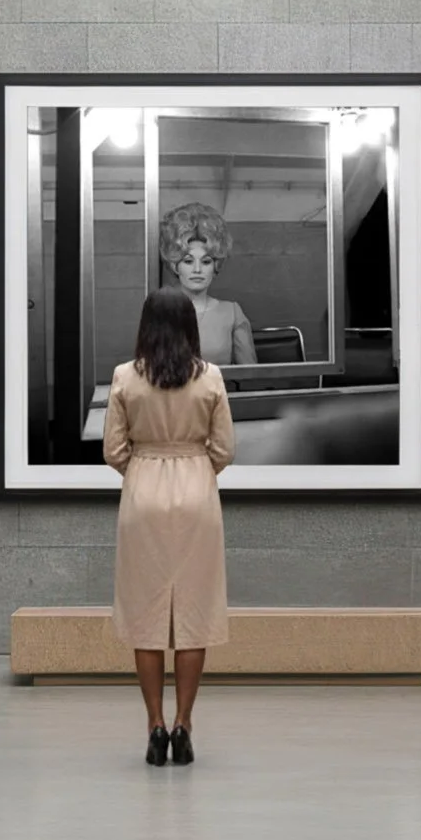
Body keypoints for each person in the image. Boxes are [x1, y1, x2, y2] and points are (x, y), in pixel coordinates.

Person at [104, 288, 234, 768]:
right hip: (197, 491)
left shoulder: (124, 377)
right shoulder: (211, 378)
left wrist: (144, 469)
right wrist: (194, 467)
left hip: (143, 493)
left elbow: (113, 451)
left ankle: (154, 725)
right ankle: (185, 724)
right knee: (193, 615)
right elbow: (224, 450)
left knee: (147, 617)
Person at [159, 202, 256, 367]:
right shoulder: (160, 312)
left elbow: (250, 376)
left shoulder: (231, 313)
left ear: (215, 266)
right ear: (175, 265)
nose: (197, 269)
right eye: (188, 261)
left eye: (206, 262)